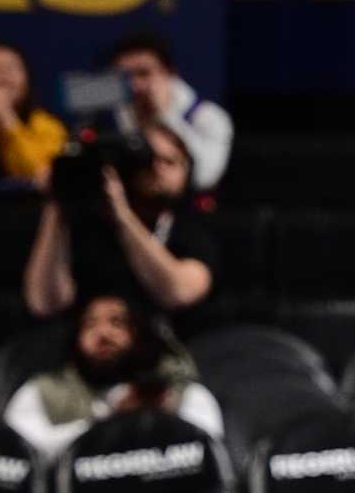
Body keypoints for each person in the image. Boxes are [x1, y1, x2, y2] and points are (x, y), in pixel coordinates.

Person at [21, 120, 220, 335]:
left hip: (169, 350)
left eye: (169, 161)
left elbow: (179, 292)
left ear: (187, 171)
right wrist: (57, 202)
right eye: (148, 159)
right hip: (84, 353)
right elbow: (44, 303)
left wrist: (122, 214)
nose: (157, 168)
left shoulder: (191, 227)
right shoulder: (83, 223)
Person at [2, 290, 221, 462]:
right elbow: (20, 454)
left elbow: (210, 449)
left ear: (138, 335)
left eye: (117, 322)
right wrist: (111, 419)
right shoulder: (43, 391)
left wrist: (161, 418)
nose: (103, 334)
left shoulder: (178, 390)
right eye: (90, 324)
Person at [108, 28, 233, 192]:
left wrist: (164, 115)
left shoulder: (210, 117)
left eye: (143, 74)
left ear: (170, 74)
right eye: (125, 77)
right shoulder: (115, 116)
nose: (134, 85)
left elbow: (204, 177)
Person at [0, 43, 67, 184]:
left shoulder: (46, 125)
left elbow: (37, 177)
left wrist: (6, 118)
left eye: (10, 68)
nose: (1, 75)